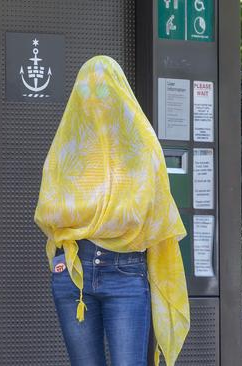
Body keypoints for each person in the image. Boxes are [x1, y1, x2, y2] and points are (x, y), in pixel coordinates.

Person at [34, 55, 190, 366]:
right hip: (73, 269)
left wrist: (86, 216)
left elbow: (151, 213)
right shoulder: (66, 145)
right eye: (87, 92)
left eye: (104, 92)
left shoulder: (143, 145)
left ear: (120, 94)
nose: (95, 100)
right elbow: (46, 211)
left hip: (125, 270)